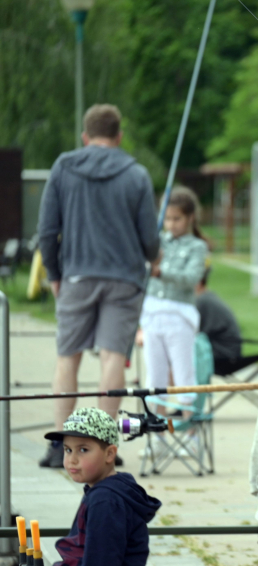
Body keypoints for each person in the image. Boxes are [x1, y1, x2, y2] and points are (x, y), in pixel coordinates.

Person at [38, 104, 159, 468]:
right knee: (112, 357)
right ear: (119, 136)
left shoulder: (63, 167)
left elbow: (47, 229)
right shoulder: (136, 174)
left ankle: (62, 447)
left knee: (67, 357)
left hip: (75, 275)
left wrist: (54, 274)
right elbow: (149, 239)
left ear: (85, 137)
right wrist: (154, 257)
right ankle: (105, 448)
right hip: (123, 279)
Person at [140, 187, 209, 455]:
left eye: (176, 219)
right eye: (167, 218)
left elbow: (191, 278)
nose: (171, 224)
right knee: (154, 376)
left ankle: (189, 435)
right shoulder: (158, 242)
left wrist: (161, 271)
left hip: (179, 317)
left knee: (183, 375)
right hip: (152, 316)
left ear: (190, 218)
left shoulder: (197, 246)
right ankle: (157, 437)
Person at [45, 407, 161, 565]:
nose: (72, 459)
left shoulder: (105, 501)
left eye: (83, 450)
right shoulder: (105, 492)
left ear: (110, 454)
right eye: (68, 450)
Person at [195, 268, 243, 375]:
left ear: (198, 282)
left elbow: (196, 333)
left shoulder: (202, 301)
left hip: (224, 355)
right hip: (230, 352)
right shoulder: (208, 296)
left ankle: (189, 390)